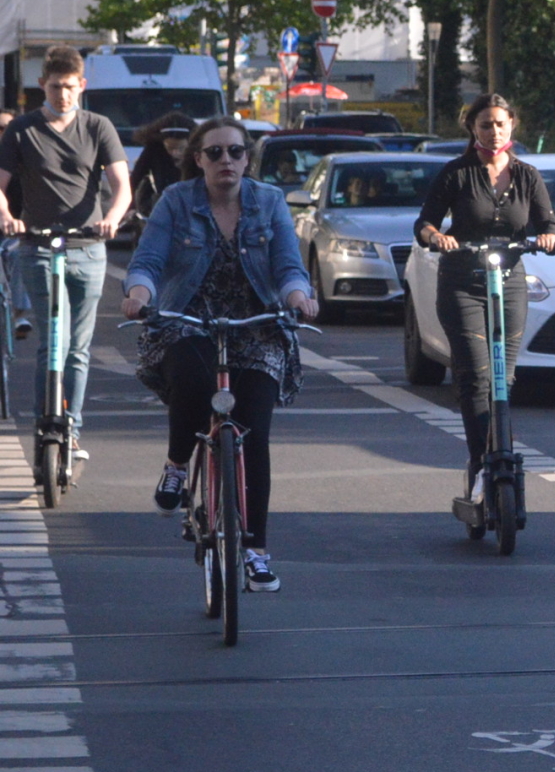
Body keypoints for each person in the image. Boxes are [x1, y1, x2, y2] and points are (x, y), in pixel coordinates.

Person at [120, 118, 319, 593]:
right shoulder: (176, 201)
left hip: (257, 323)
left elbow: (288, 264)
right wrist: (139, 293)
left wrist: (298, 297)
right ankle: (176, 464)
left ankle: (256, 550)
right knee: (191, 378)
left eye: (234, 152)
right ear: (198, 159)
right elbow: (147, 260)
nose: (225, 161)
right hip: (188, 317)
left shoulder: (268, 201)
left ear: (247, 159)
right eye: (214, 153)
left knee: (254, 430)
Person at [414, 95, 555, 505]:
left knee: (504, 378)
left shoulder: (527, 176)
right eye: (485, 125)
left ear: (512, 125)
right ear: (472, 129)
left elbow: (548, 221)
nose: (493, 131)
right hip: (463, 280)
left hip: (508, 278)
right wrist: (436, 237)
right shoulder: (456, 174)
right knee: (475, 378)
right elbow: (423, 222)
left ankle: (503, 455)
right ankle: (481, 465)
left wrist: (549, 237)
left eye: (500, 123)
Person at [0, 46, 135, 465]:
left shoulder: (98, 126)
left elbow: (121, 185)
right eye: (56, 87)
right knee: (51, 344)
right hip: (38, 245)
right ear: (43, 84)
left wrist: (112, 218)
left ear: (82, 86)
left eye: (70, 88)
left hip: (88, 247)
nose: (63, 95)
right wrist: (7, 216)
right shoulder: (21, 130)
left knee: (78, 347)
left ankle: (71, 427)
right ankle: (47, 422)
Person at [130, 112, 194, 220]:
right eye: (170, 147)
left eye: (180, 148)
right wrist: (130, 207)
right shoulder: (154, 149)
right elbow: (136, 178)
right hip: (161, 205)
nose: (174, 153)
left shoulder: (198, 152)